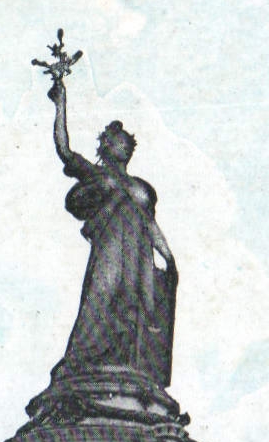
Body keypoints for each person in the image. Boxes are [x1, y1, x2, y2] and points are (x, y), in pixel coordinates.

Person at [47, 73, 177, 385]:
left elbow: (150, 224)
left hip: (138, 254)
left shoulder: (141, 188)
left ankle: (125, 365)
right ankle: (84, 359)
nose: (127, 146)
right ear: (107, 144)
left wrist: (168, 256)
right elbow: (64, 150)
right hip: (110, 249)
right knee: (100, 294)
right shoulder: (95, 173)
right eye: (121, 141)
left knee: (137, 306)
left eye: (129, 144)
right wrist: (60, 102)